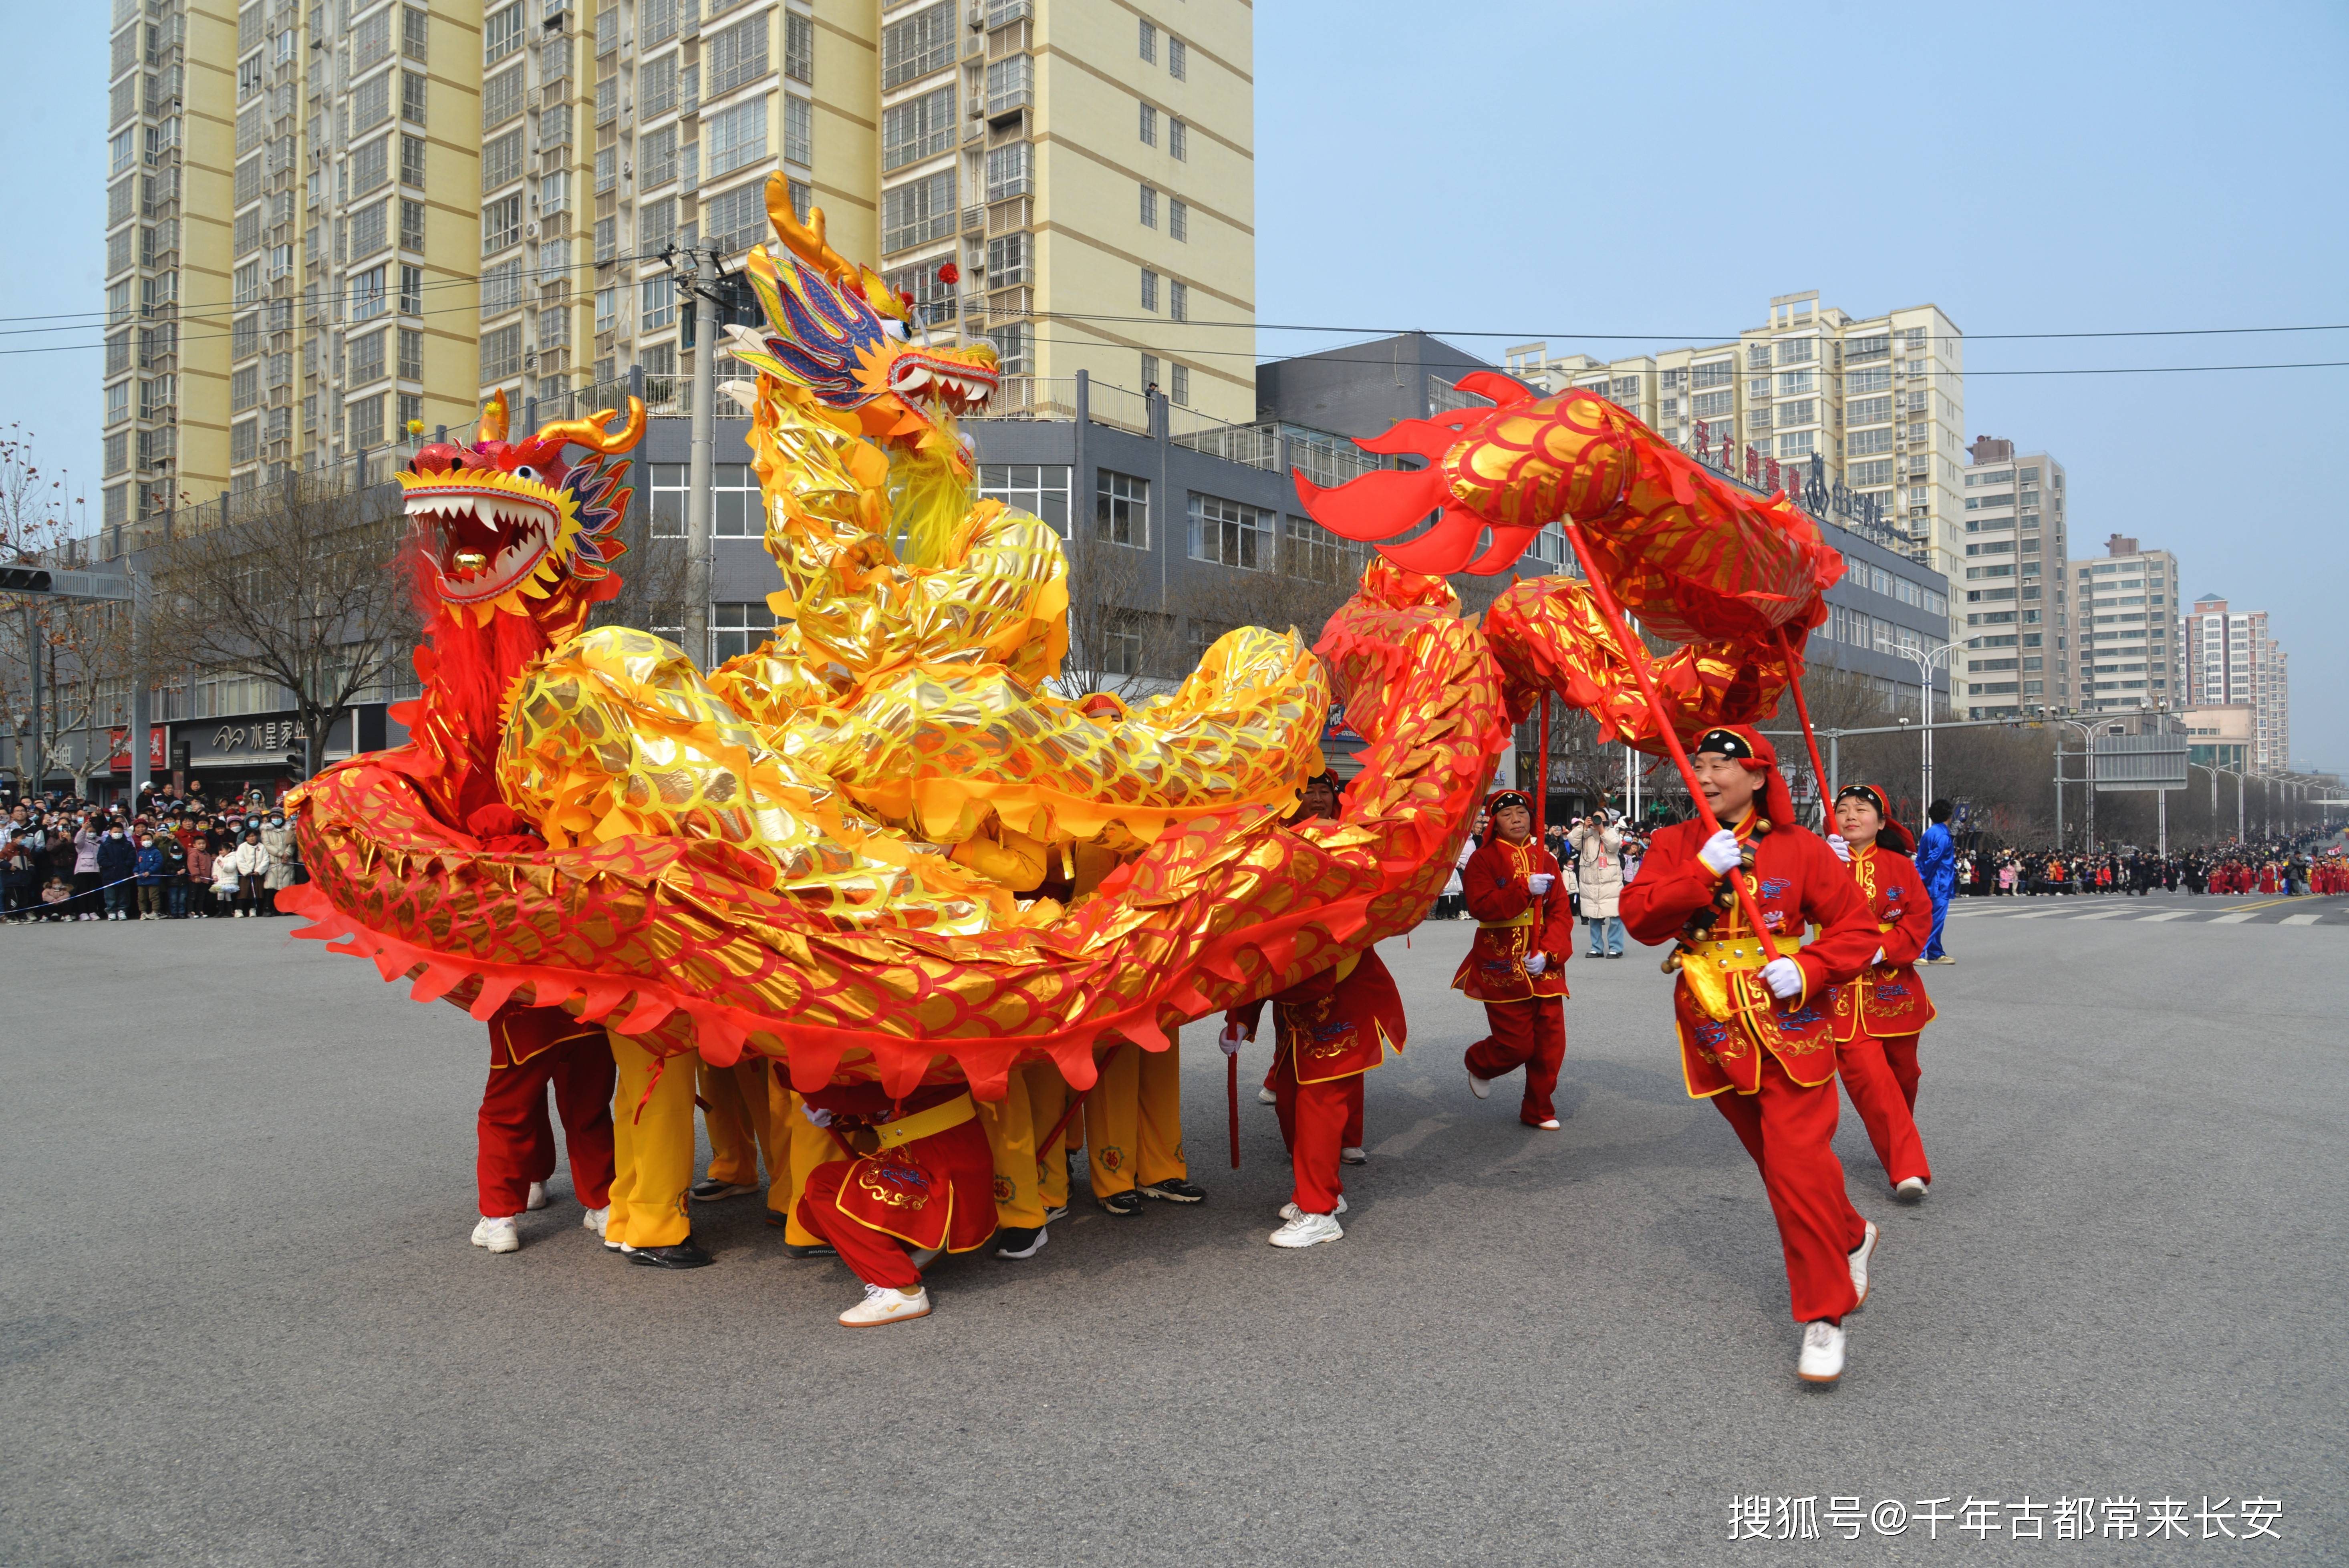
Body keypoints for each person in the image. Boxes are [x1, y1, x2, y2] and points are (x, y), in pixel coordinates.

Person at [1619, 726, 1882, 1385]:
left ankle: (1824, 1313)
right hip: (1713, 1023)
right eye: (1697, 765)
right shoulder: (1673, 843)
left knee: (1794, 1161)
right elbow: (1638, 919)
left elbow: (1855, 928)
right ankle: (1848, 1231)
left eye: (1718, 766)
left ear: (1759, 776)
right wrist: (1698, 873)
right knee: (1774, 1158)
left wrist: (1813, 967)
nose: (1704, 777)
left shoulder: (1799, 849)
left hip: (1789, 1019)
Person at [1218, 771, 1405, 1248]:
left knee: (1320, 1107)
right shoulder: (1281, 886)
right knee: (1288, 1101)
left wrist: (1250, 1003)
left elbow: (1296, 968)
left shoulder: (1343, 895)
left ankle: (1319, 1210)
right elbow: (1260, 950)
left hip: (1340, 1007)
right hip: (1298, 1022)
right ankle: (1321, 1192)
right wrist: (1241, 1018)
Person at [794, 1077, 999, 1326]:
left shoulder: (923, 1058)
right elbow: (882, 1108)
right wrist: (834, 1112)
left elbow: (866, 1094)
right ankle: (920, 1246)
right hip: (929, 1163)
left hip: (945, 1173)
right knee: (814, 1210)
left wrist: (812, 1090)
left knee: (825, 1185)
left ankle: (899, 1290)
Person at [1825, 786, 1935, 1202]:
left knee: (1904, 1077)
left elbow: (1919, 919)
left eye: (1861, 809)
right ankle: (1906, 1169)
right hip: (1838, 995)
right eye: (1841, 809)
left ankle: (1893, 1133)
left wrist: (1883, 949)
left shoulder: (1899, 867)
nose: (1850, 815)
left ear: (1882, 822)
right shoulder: (1819, 860)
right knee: (1872, 1081)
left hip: (1894, 989)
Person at [1455, 788, 1574, 1129]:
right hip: (1501, 962)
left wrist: (1550, 953)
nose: (1517, 819)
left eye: (1522, 812)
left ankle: (1538, 1109)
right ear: (1495, 822)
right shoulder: (1483, 859)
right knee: (1516, 1045)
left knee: (1551, 1046)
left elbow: (1562, 914)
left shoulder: (1547, 860)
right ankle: (1480, 1061)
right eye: (1507, 815)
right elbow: (1482, 906)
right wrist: (1524, 890)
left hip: (1544, 964)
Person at [470, 1003, 617, 1254]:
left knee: (507, 1110)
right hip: (589, 1002)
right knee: (588, 1109)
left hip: (527, 1006)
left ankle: (500, 1217)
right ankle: (604, 1203)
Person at [1567, 808, 1626, 958]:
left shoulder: (1612, 831)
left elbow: (1614, 845)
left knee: (1615, 916)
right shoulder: (1585, 835)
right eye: (1595, 818)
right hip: (1591, 882)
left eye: (1601, 818)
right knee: (1594, 916)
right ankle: (1597, 948)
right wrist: (1584, 827)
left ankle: (1616, 947)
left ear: (1607, 820)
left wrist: (1602, 831)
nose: (1597, 821)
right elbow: (1572, 841)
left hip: (1610, 881)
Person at [1914, 799, 1956, 963]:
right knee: (1936, 919)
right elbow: (1933, 861)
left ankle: (1936, 952)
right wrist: (1924, 879)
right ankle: (1920, 952)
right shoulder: (1943, 836)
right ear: (1949, 816)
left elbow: (1923, 859)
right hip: (1939, 882)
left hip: (1931, 880)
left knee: (1933, 918)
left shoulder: (1931, 832)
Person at [97, 824, 137, 920]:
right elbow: (101, 859)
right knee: (110, 895)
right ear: (110, 833)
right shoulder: (105, 845)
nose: (117, 834)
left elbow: (132, 857)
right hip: (109, 874)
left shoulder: (128, 845)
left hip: (124, 873)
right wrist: (110, 866)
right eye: (115, 832)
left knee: (124, 894)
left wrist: (126, 865)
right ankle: (111, 911)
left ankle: (122, 910)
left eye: (119, 832)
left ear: (123, 833)